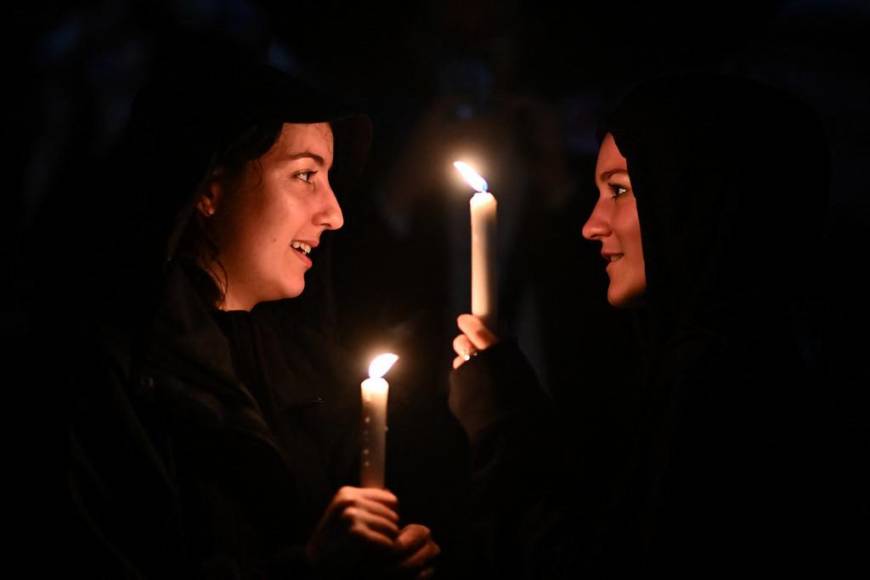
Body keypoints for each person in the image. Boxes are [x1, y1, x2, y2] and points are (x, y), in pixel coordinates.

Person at [40, 52, 440, 578]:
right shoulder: (102, 375)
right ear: (209, 188)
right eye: (304, 176)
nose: (335, 214)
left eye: (331, 178)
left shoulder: (314, 368)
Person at [447, 74, 851, 574]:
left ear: (695, 196)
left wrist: (503, 429)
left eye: (619, 189)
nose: (590, 225)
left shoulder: (720, 389)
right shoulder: (720, 358)